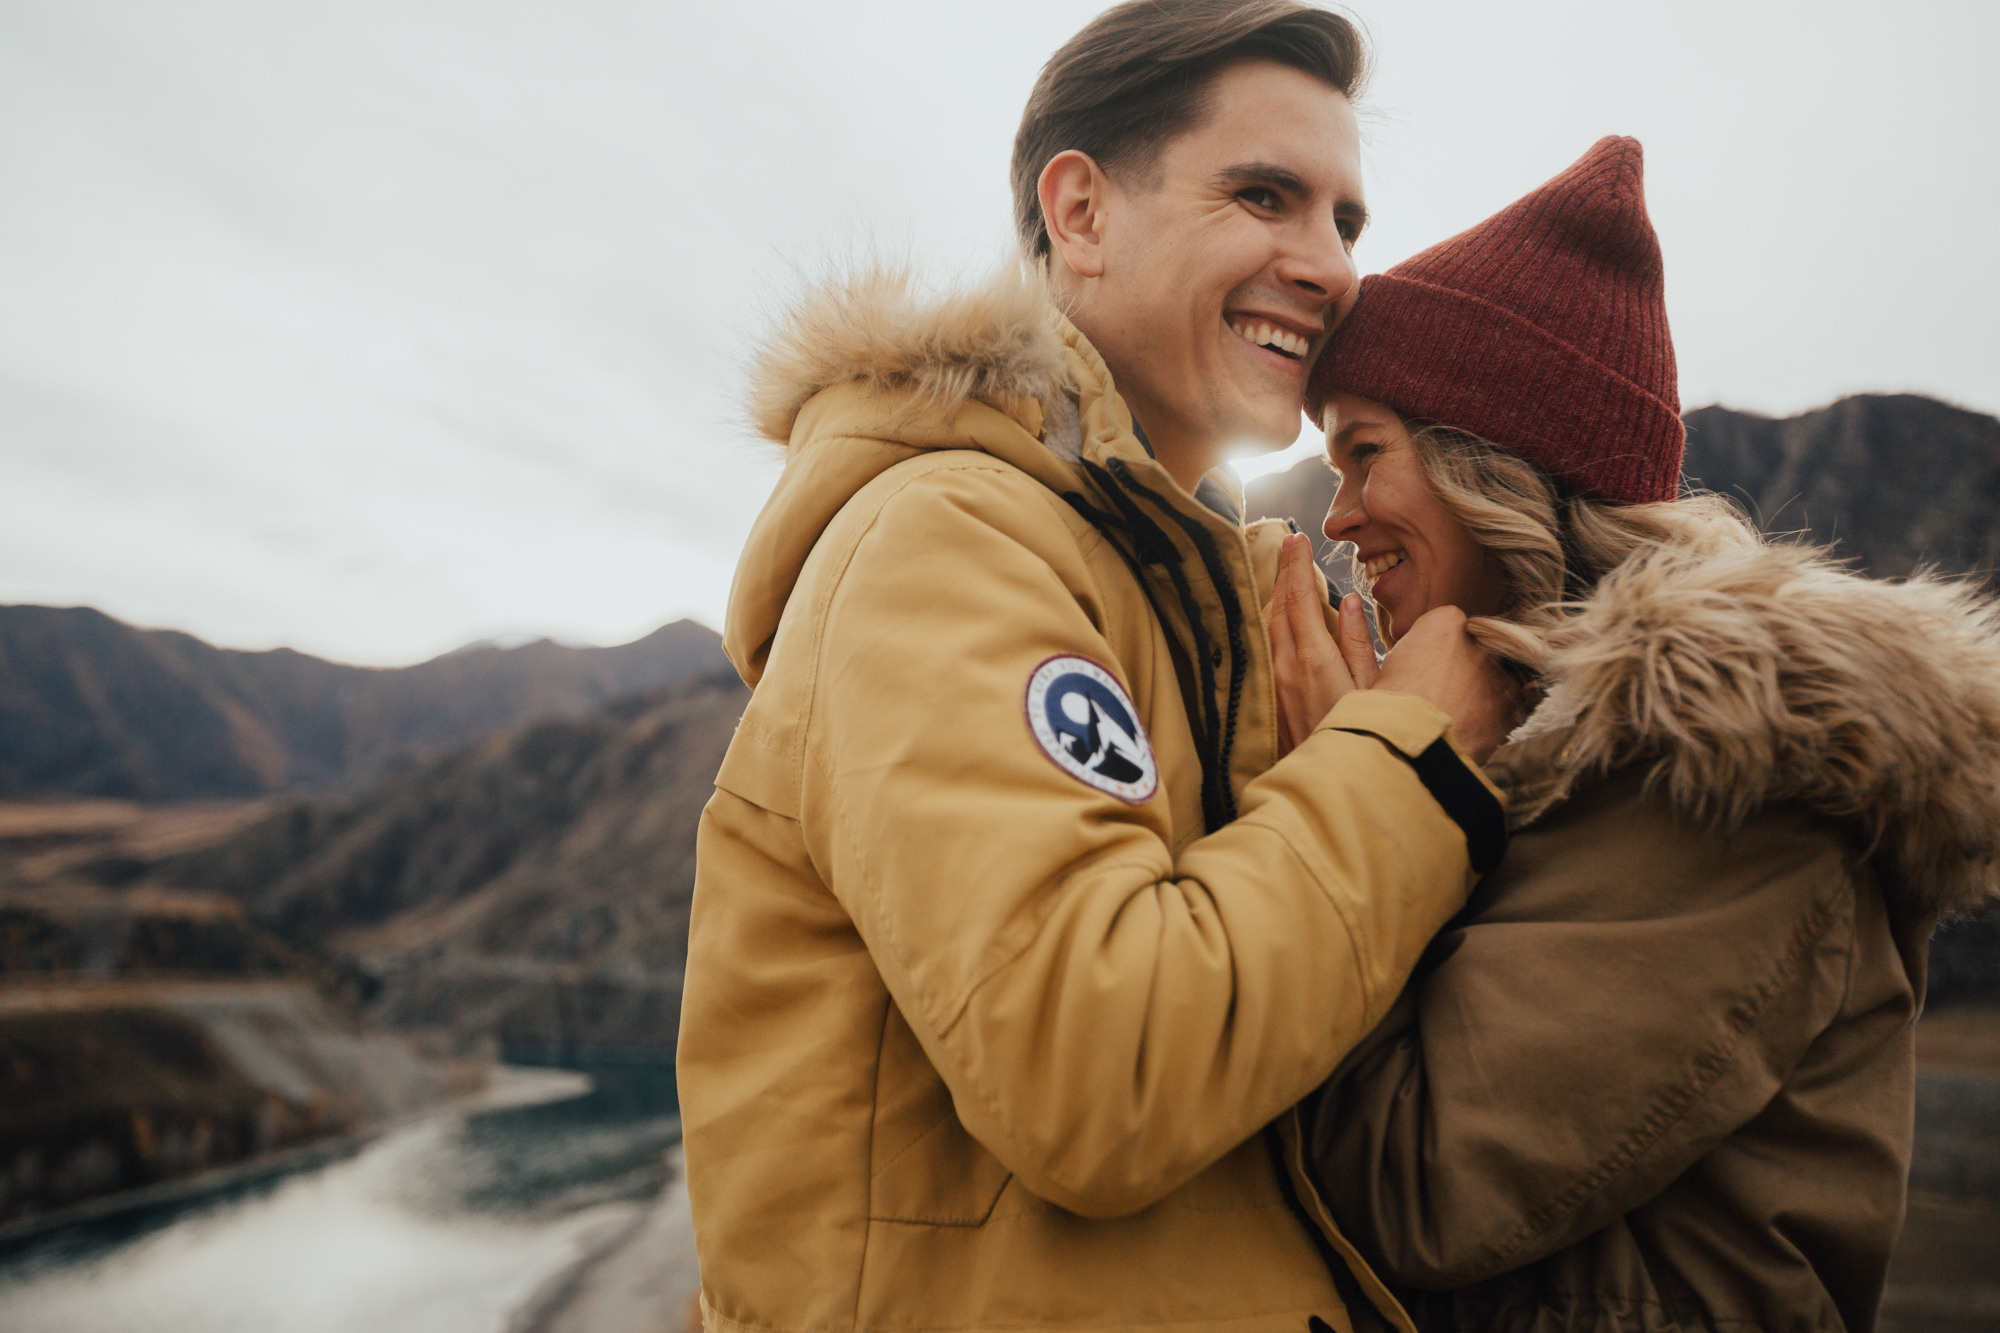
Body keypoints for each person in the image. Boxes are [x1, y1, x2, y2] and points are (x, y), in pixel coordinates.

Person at [676, 2, 1521, 1330]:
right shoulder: (948, 542)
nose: (1327, 267)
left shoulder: (1205, 592)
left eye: (1346, 223)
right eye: (1263, 195)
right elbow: (1098, 1070)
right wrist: (1402, 765)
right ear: (1079, 213)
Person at [1264, 135, 2000, 1332]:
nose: (1336, 516)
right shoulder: (1537, 751)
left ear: (1489, 464)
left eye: (1363, 453)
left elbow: (1409, 1185)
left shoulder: (1726, 776)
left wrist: (1355, 781)